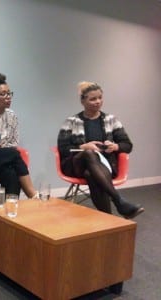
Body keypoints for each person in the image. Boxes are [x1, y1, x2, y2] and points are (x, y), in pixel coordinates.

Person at [57, 81, 144, 219]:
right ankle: (119, 201)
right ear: (83, 101)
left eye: (100, 98)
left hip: (105, 166)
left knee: (91, 174)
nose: (98, 102)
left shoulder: (111, 120)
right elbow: (62, 149)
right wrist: (83, 147)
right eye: (93, 99)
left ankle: (108, 219)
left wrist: (115, 146)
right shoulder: (71, 121)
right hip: (75, 165)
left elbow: (127, 145)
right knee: (89, 153)